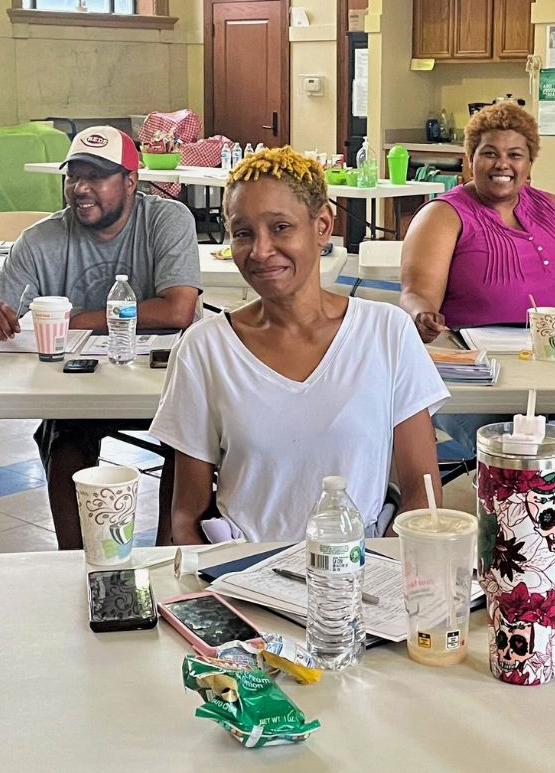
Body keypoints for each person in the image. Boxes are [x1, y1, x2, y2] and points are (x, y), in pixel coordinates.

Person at [149, 147, 449, 544]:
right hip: (242, 579)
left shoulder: (387, 332)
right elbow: (187, 516)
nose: (260, 250)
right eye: (243, 233)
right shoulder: (205, 348)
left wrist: (376, 577)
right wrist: (217, 593)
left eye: (280, 227)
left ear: (322, 225)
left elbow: (421, 499)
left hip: (356, 577)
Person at [400, 102, 555, 529]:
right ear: (470, 158)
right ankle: (518, 545)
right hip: (479, 378)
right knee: (520, 449)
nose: (503, 164)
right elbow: (416, 294)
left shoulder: (554, 208)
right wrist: (422, 315)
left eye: (515, 154)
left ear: (530, 162)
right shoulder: (443, 215)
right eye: (489, 152)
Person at [0, 126, 201, 548]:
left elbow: (178, 308)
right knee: (63, 439)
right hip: (77, 388)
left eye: (96, 177)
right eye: (72, 177)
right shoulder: (42, 238)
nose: (80, 189)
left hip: (159, 387)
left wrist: (77, 320)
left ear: (131, 180)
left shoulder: (166, 218)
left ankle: (168, 559)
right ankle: (75, 561)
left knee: (188, 444)